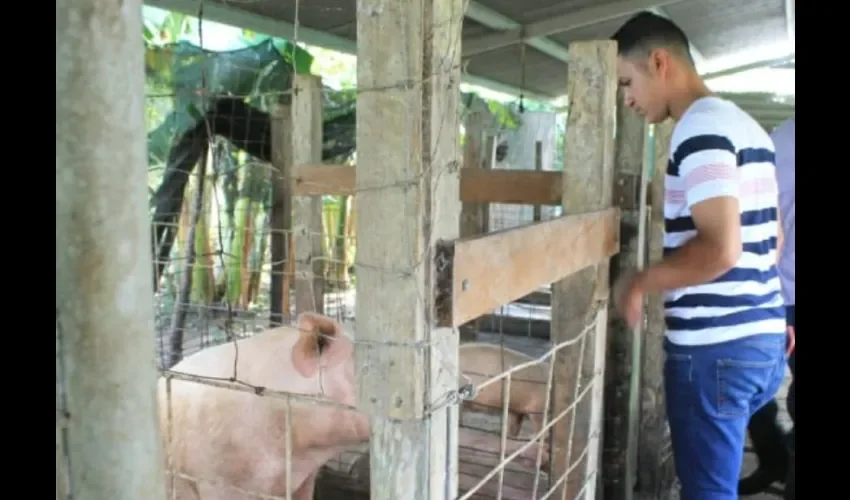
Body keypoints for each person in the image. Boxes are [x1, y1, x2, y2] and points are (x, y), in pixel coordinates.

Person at [610, 12, 791, 500]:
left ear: (659, 62)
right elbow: (771, 239)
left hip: (716, 351)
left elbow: (722, 246)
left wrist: (641, 281)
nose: (626, 98)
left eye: (627, 82)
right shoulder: (749, 127)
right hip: (763, 340)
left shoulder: (697, 131)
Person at [738, 116, 795, 500]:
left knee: (754, 385)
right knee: (752, 385)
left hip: (772, 288)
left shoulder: (775, 139)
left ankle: (778, 458)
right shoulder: (775, 140)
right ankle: (777, 458)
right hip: (775, 287)